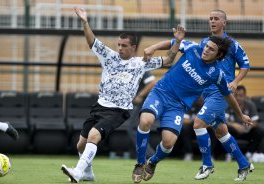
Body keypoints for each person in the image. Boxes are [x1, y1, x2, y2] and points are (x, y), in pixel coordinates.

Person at [61, 7, 180, 183]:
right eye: (119, 44)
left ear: (133, 47)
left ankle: (77, 173)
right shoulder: (109, 56)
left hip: (119, 110)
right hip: (100, 106)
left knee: (94, 135)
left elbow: (169, 59)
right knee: (80, 144)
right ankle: (88, 174)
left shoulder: (141, 63)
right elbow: (92, 41)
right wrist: (85, 22)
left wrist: (177, 41)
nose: (120, 48)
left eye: (124, 46)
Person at [132, 26, 253, 183]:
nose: (206, 50)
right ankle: (140, 163)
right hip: (161, 93)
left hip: (178, 106)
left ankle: (152, 162)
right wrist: (152, 47)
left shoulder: (217, 74)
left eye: (211, 49)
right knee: (146, 120)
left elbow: (228, 96)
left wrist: (240, 115)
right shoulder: (194, 48)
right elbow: (171, 43)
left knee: (168, 144)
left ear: (219, 55)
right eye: (207, 46)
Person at [226, 85, 263, 161]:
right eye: (236, 95)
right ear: (233, 95)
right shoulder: (229, 104)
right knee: (225, 129)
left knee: (259, 130)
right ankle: (229, 153)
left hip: (247, 131)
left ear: (245, 96)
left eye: (241, 96)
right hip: (234, 131)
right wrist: (235, 125)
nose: (238, 98)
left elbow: (255, 121)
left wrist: (247, 127)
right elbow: (224, 120)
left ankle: (249, 154)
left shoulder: (250, 105)